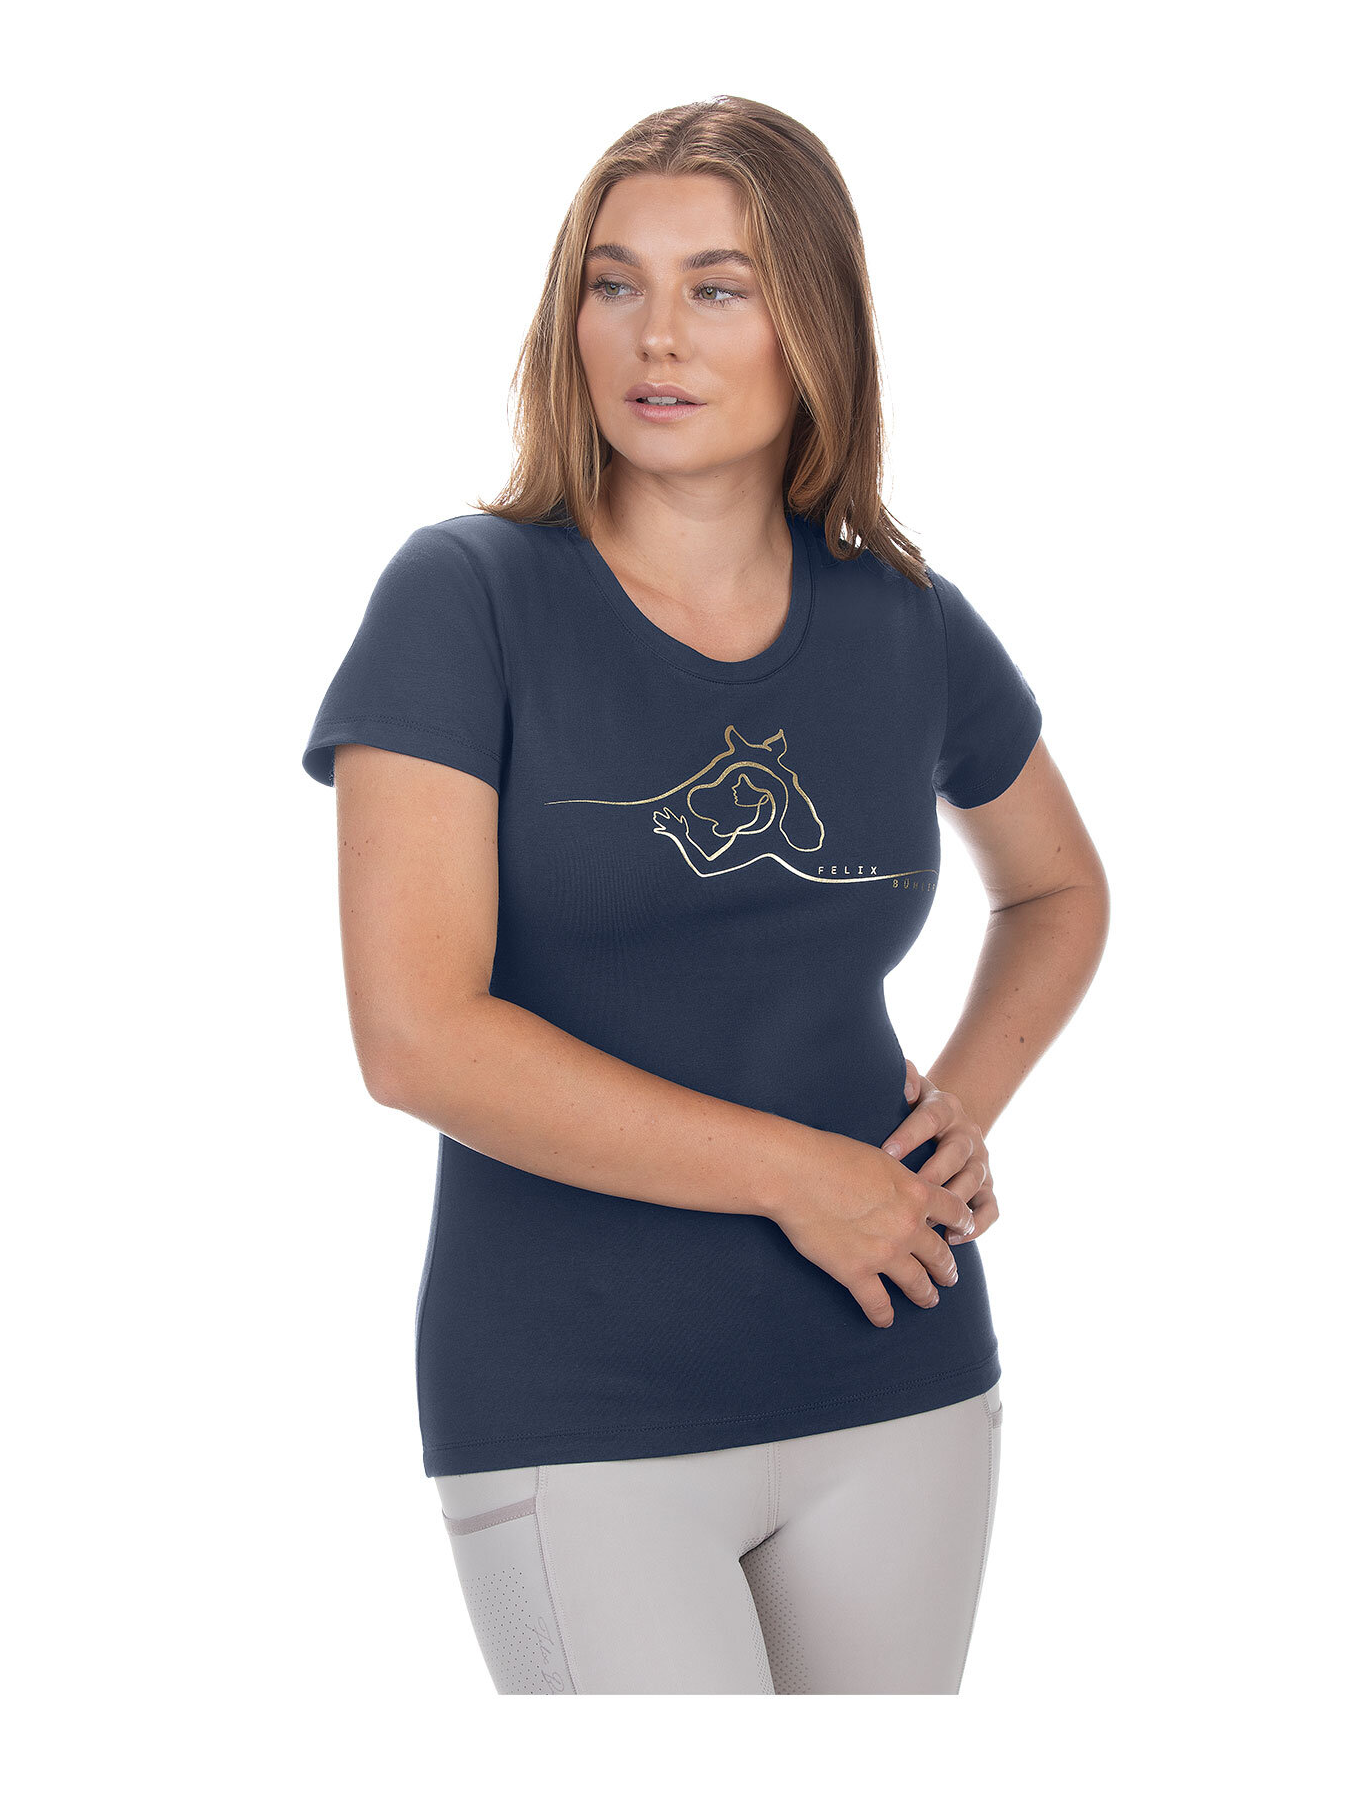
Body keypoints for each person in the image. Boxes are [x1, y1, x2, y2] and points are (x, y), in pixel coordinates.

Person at [301, 95, 1109, 1695]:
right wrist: (800, 1178)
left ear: (814, 324)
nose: (653, 335)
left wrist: (960, 1107)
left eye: (716, 288)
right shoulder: (463, 599)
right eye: (613, 283)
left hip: (900, 1368)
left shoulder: (901, 618)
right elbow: (416, 1039)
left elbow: (1057, 889)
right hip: (580, 1398)